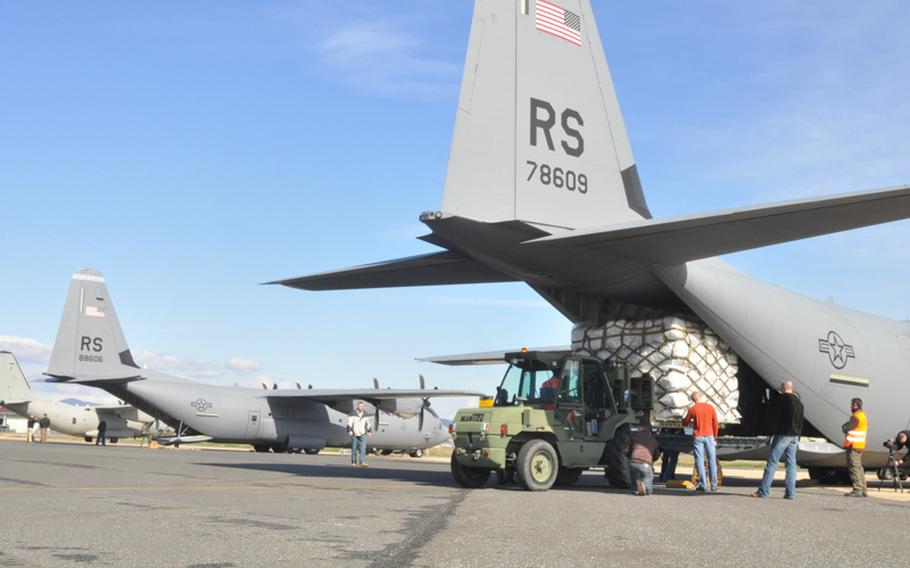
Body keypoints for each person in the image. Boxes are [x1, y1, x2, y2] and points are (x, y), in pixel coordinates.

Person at [752, 380, 804, 499]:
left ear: (783, 388)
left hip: (783, 434)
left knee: (772, 462)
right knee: (791, 464)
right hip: (794, 436)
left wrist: (769, 435)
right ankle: (791, 493)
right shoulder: (799, 403)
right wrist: (798, 437)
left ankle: (763, 491)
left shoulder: (781, 400)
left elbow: (775, 419)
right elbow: (801, 422)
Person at [683, 392, 719, 492]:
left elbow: (685, 422)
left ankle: (703, 484)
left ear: (693, 400)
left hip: (698, 435)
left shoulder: (693, 409)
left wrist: (684, 416)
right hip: (709, 435)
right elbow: (716, 423)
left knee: (699, 460)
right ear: (701, 397)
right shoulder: (710, 407)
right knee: (712, 459)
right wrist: (715, 436)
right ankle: (714, 485)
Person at [626, 418, 661, 495]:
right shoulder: (653, 439)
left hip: (633, 462)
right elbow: (656, 455)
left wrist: (629, 457)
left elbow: (626, 450)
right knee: (648, 476)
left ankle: (635, 489)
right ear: (649, 430)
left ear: (640, 428)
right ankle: (647, 490)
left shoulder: (634, 436)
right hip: (645, 464)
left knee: (634, 476)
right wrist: (652, 460)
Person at [842, 397, 868, 497]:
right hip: (859, 445)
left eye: (852, 405)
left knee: (854, 467)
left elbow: (846, 428)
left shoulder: (856, 416)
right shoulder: (862, 415)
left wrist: (844, 427)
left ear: (856, 405)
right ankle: (864, 490)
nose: (850, 406)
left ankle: (857, 489)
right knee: (859, 468)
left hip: (853, 445)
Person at [347, 401, 373, 467]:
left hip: (362, 434)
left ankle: (362, 462)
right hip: (355, 434)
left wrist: (369, 431)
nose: (361, 407)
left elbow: (368, 424)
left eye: (362, 406)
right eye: (360, 406)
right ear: (357, 406)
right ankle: (353, 462)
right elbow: (349, 423)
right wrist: (349, 431)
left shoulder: (366, 414)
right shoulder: (352, 414)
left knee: (363, 449)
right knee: (354, 449)